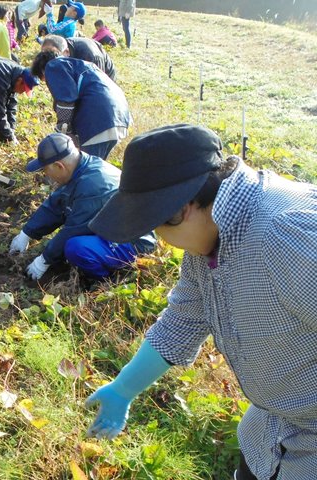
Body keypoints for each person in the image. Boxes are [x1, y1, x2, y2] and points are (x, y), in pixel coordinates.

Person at [85, 124, 317, 480]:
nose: (162, 241)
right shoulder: (209, 239)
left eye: (156, 226)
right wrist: (124, 388)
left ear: (183, 208)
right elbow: (183, 321)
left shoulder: (286, 234)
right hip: (270, 432)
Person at [9, 133, 156, 281]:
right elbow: (55, 205)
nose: (46, 174)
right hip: (111, 227)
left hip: (132, 241)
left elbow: (73, 230)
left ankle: (105, 281)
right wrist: (26, 233)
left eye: (45, 170)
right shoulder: (80, 167)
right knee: (69, 243)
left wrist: (44, 260)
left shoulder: (93, 185)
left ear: (59, 166)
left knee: (76, 248)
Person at [31, 50, 130, 160]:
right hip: (120, 116)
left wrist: (62, 131)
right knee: (97, 165)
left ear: (42, 71)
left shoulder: (53, 66)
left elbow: (66, 101)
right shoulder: (82, 65)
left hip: (99, 120)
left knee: (86, 168)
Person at [41, 34, 116, 82]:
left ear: (67, 52)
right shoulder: (62, 49)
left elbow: (99, 84)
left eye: (54, 58)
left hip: (105, 79)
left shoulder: (90, 56)